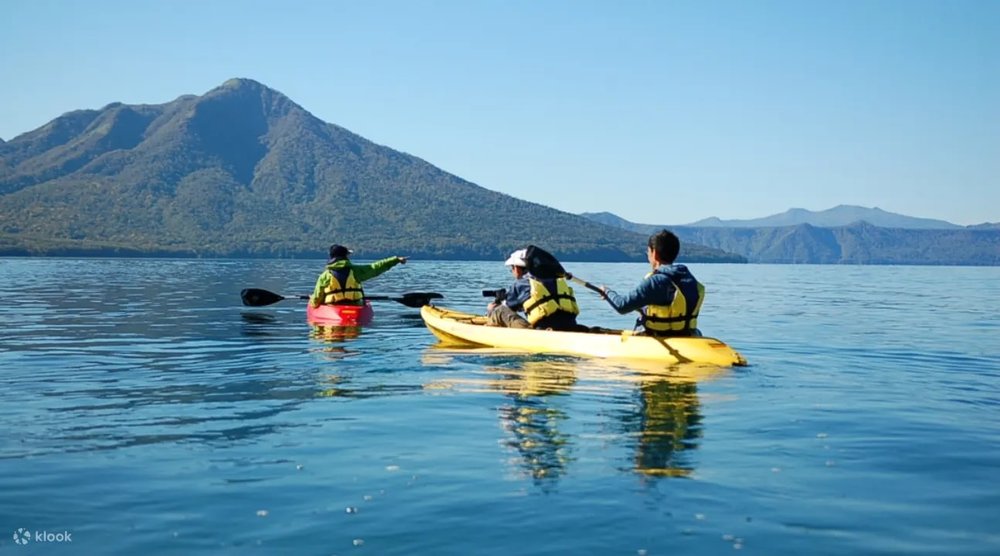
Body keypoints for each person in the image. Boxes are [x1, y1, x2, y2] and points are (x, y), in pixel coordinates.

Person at [600, 230, 704, 336]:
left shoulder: (655, 282)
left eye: (648, 252)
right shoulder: (689, 278)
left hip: (656, 339)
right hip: (687, 337)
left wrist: (607, 292)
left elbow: (622, 306)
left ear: (654, 253)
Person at [486, 247, 581, 331]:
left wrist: (493, 307)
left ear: (517, 269)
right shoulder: (557, 280)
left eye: (512, 268)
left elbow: (508, 308)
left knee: (499, 310)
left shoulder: (521, 284)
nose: (512, 272)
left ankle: (489, 326)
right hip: (570, 327)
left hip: (543, 331)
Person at [310, 244, 408, 307]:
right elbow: (376, 267)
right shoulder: (355, 271)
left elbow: (317, 298)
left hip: (332, 307)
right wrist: (395, 260)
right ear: (344, 257)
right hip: (355, 307)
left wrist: (313, 303)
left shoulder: (324, 276)